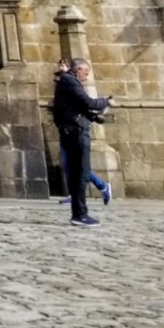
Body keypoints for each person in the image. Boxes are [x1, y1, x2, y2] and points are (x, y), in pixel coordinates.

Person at [51, 56, 113, 227]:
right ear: (78, 70)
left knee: (78, 172)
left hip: (72, 130)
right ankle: (80, 214)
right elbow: (87, 102)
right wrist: (107, 101)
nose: (86, 76)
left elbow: (78, 107)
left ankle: (79, 213)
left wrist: (94, 117)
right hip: (76, 132)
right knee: (82, 172)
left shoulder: (67, 81)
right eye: (86, 73)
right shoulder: (70, 80)